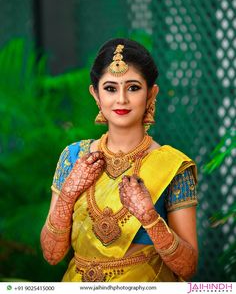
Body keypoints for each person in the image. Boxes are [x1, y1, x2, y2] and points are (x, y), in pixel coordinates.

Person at [40, 38, 198, 282]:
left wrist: (149, 217)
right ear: (95, 94)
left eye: (133, 87)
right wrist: (69, 193)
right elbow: (52, 254)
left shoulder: (173, 166)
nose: (121, 99)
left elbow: (188, 267)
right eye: (110, 88)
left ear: (151, 93)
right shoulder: (73, 158)